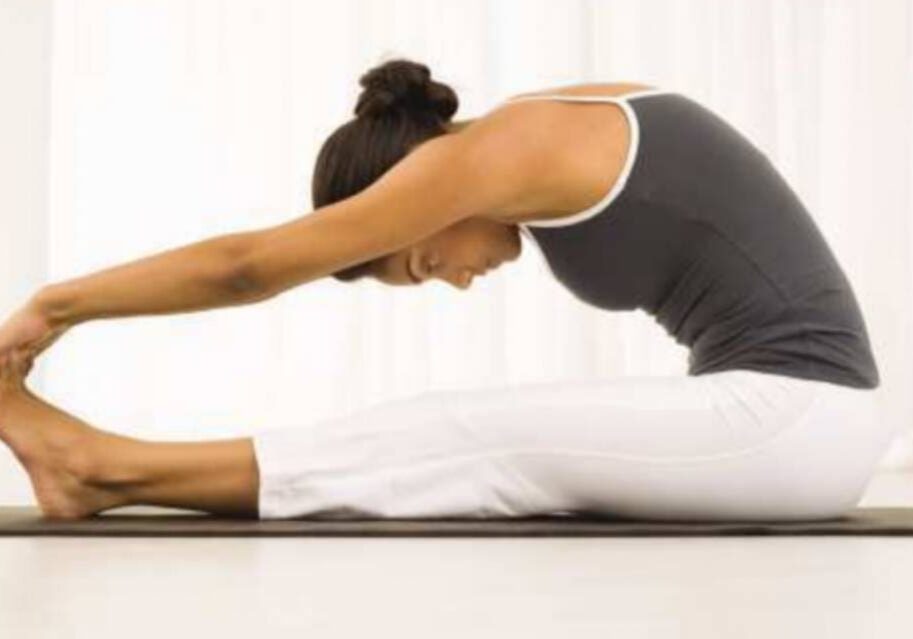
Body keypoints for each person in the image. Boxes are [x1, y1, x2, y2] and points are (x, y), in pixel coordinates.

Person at [0, 58, 892, 522]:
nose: (458, 281)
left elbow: (250, 265)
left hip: (800, 419)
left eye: (423, 263)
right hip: (781, 418)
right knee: (479, 435)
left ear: (410, 187)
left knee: (474, 433)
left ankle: (100, 467)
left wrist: (58, 304)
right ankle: (103, 466)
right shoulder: (543, 132)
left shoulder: (493, 152)